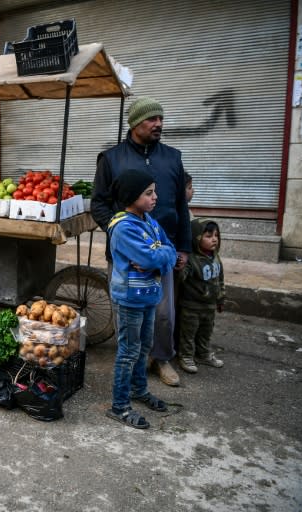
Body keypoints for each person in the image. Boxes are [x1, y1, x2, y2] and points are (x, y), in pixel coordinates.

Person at [91, 97, 191, 387]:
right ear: (135, 123)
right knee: (128, 312)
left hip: (162, 252)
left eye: (160, 118)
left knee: (162, 314)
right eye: (151, 119)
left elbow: (181, 208)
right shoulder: (111, 159)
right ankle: (132, 360)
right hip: (124, 257)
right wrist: (125, 240)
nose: (158, 124)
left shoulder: (172, 158)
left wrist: (183, 246)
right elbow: (99, 205)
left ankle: (161, 358)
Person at [105, 169, 177, 429]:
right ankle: (120, 406)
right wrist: (158, 257)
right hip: (129, 300)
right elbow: (151, 257)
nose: (155, 197)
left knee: (144, 346)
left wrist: (160, 257)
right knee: (128, 352)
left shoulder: (149, 221)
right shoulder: (123, 228)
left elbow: (170, 251)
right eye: (149, 193)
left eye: (154, 191)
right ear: (131, 196)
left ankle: (138, 390)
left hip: (148, 295)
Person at [176, 218, 225, 373]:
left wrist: (221, 298)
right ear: (196, 238)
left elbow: (220, 279)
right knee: (188, 333)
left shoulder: (215, 257)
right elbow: (181, 278)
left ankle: (203, 354)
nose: (214, 239)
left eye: (216, 235)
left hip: (209, 306)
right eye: (208, 236)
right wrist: (179, 267)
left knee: (205, 332)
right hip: (191, 307)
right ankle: (186, 356)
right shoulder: (191, 260)